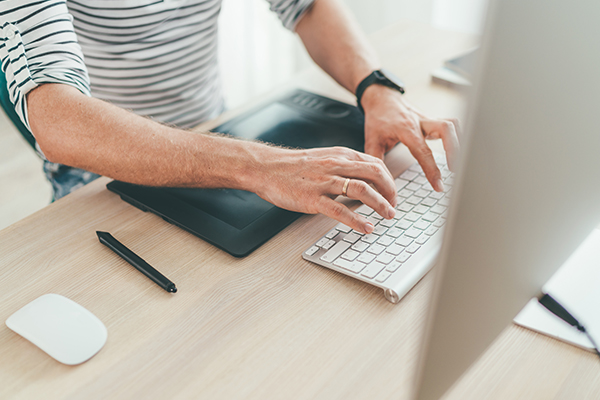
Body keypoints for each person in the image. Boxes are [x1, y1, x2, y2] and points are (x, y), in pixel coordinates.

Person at [0, 0, 458, 235]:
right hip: (96, 176)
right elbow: (55, 117)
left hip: (214, 135)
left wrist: (374, 86)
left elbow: (306, 5)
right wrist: (257, 166)